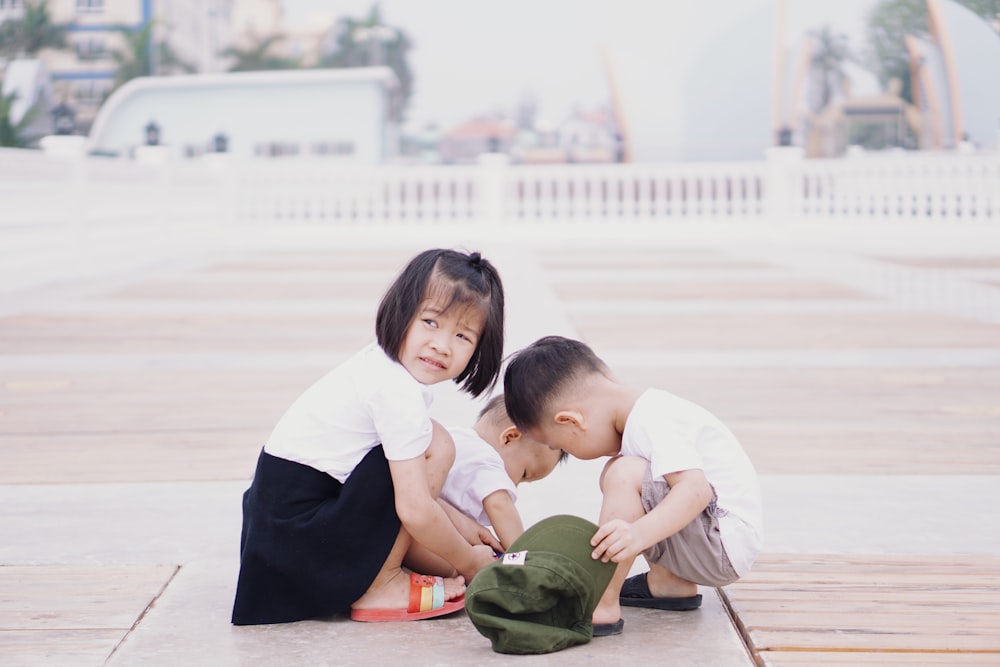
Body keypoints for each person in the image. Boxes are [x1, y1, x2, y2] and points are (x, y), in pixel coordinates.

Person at [232, 248, 505, 625]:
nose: (442, 344)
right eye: (430, 321)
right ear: (401, 311)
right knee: (435, 447)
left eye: (462, 335)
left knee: (433, 444)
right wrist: (468, 561)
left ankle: (386, 572)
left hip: (280, 536)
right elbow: (413, 507)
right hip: (298, 537)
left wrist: (461, 524)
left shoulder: (380, 366)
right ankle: (382, 583)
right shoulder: (395, 392)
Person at [502, 336, 763, 635]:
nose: (568, 454)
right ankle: (669, 584)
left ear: (572, 422)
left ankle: (602, 603)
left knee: (624, 474)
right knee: (622, 471)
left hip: (721, 541)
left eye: (560, 446)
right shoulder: (646, 414)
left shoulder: (652, 419)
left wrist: (637, 534)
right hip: (716, 538)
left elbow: (696, 490)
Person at [439, 394, 566, 553]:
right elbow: (499, 505)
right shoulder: (486, 459)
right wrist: (523, 554)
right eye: (524, 474)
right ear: (509, 437)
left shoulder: (453, 436)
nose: (514, 486)